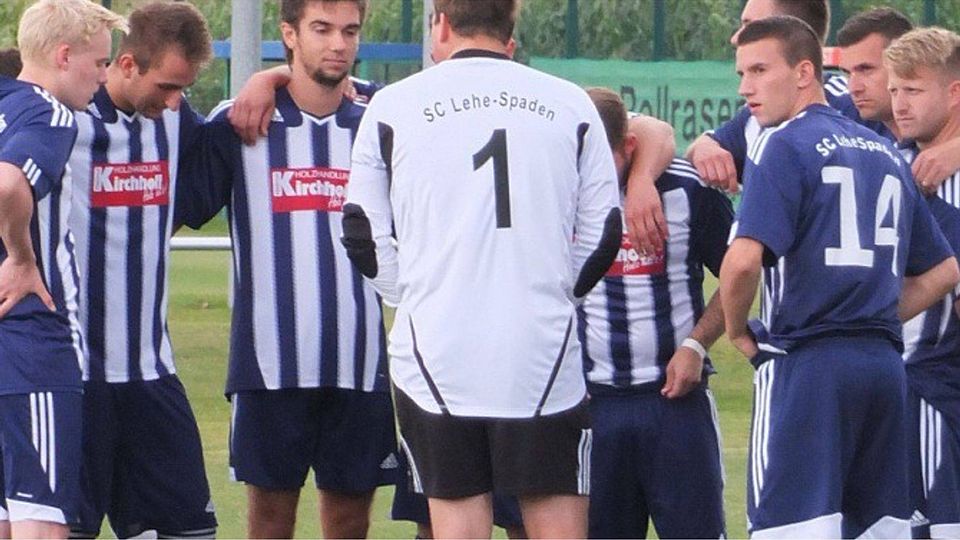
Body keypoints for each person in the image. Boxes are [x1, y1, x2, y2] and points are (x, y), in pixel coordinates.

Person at [344, 0, 622, 537]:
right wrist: (552, 294)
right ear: (511, 28)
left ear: (440, 23)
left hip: (436, 351)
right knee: (557, 522)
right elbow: (603, 233)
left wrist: (419, 291)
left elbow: (361, 232)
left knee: (458, 526)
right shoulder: (570, 104)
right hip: (539, 349)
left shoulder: (394, 106)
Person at [720, 16, 960, 538]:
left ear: (804, 72)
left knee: (791, 527)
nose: (746, 88)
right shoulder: (886, 154)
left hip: (808, 364)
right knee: (877, 529)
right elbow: (944, 269)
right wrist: (870, 315)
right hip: (882, 368)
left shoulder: (782, 144)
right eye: (742, 73)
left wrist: (738, 329)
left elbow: (741, 262)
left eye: (760, 70)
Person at [176, 1, 398, 538]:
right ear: (289, 35)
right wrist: (263, 82)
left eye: (349, 31)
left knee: (349, 517)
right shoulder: (242, 119)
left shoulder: (384, 119)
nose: (337, 44)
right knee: (270, 516)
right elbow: (188, 207)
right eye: (321, 29)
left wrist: (268, 75)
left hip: (360, 358)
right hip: (269, 362)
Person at [63, 3, 218, 538]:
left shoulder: (174, 120)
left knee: (190, 532)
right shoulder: (65, 120)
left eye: (184, 90)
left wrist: (267, 80)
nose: (175, 101)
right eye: (167, 86)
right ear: (125, 64)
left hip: (152, 373)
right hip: (74, 378)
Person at [580, 87, 730, 539]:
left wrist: (695, 344)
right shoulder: (558, 190)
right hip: (592, 408)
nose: (589, 178)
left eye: (600, 164)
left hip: (675, 404)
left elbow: (739, 275)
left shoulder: (687, 190)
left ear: (628, 149)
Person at [0, 1, 125, 538]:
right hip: (33, 343)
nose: (104, 76)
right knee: (43, 521)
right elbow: (7, 185)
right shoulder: (50, 112)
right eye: (99, 63)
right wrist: (23, 259)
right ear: (64, 55)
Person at [886, 27, 960, 539]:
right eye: (896, 90)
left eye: (913, 90)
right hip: (890, 392)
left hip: (931, 387)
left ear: (953, 92)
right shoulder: (886, 155)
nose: (899, 104)